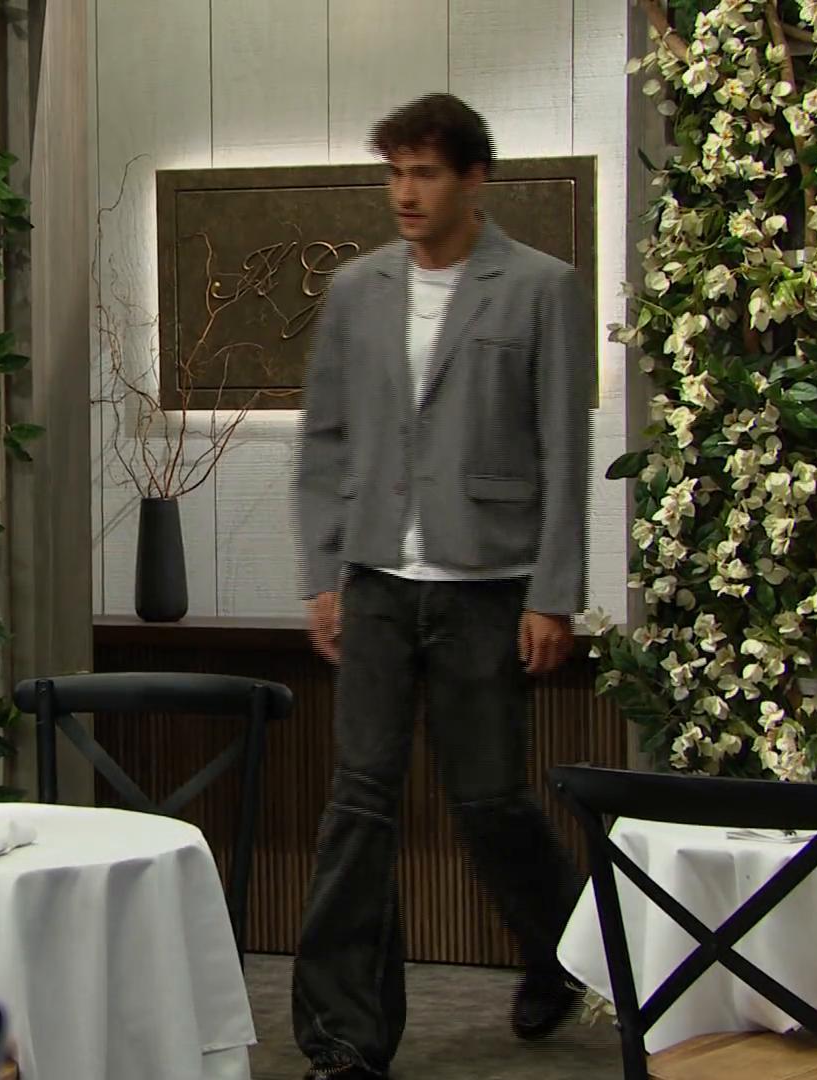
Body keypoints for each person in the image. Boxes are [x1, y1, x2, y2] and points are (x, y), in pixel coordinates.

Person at [290, 93, 592, 1079]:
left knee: (490, 798)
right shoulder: (357, 289)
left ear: (473, 179)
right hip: (376, 580)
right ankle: (346, 1036)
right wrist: (322, 572)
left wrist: (553, 592)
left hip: (488, 585)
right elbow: (325, 440)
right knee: (360, 802)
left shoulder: (541, 286)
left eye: (424, 173)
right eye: (394, 173)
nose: (404, 193)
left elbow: (563, 449)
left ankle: (565, 953)